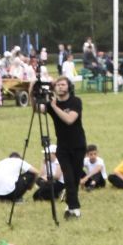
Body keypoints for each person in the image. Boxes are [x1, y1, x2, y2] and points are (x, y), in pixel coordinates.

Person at [41, 75, 87, 218]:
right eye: (58, 85)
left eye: (63, 84)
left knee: (75, 178)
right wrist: (31, 91)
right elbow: (38, 109)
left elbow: (69, 119)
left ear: (68, 87)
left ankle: (70, 205)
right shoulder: (51, 104)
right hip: (63, 147)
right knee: (68, 177)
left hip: (78, 144)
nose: (60, 87)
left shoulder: (75, 101)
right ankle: (74, 208)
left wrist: (54, 106)